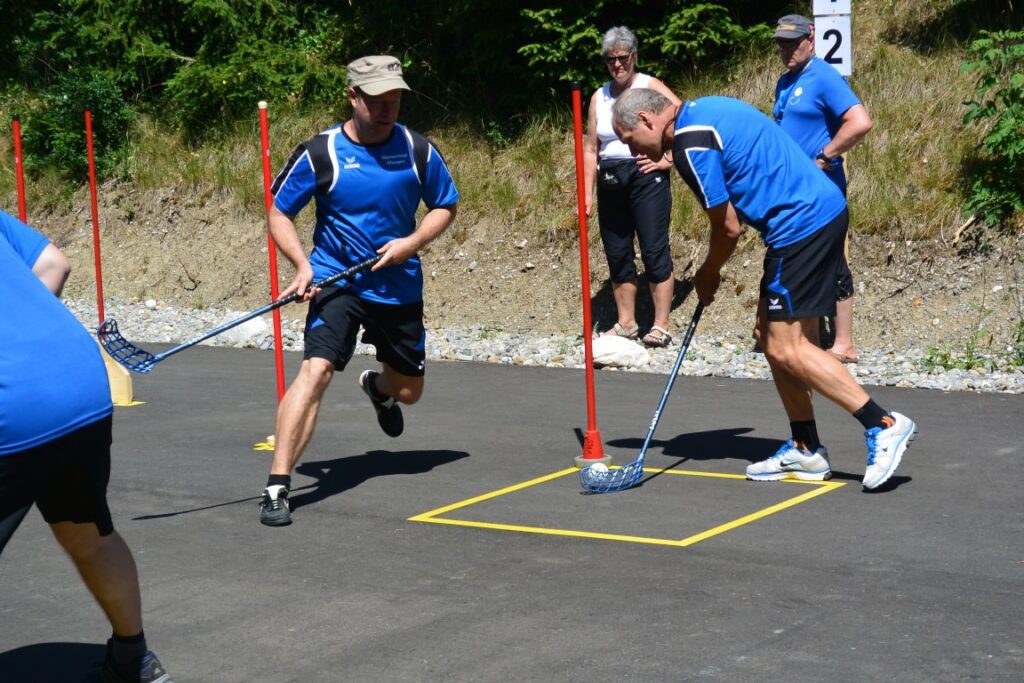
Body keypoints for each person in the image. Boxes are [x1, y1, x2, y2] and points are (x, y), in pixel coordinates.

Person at [610, 90, 915, 490]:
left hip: (800, 227)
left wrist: (708, 272)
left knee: (785, 346)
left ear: (649, 119)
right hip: (816, 215)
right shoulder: (705, 108)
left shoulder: (688, 143)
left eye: (631, 139)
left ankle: (884, 423)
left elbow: (728, 226)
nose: (634, 151)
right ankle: (806, 446)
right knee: (777, 340)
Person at [258, 55, 459, 526]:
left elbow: (445, 205)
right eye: (376, 101)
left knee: (410, 392)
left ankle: (380, 387)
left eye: (394, 99)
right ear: (352, 96)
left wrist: (411, 243)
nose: (388, 109)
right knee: (316, 370)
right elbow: (278, 211)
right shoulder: (320, 152)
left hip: (397, 285)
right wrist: (302, 265)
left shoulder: (418, 149)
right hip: (336, 280)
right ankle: (277, 485)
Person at [0, 208, 173, 682]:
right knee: (87, 532)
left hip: (12, 405)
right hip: (78, 380)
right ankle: (133, 659)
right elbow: (54, 263)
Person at [772, 14, 874, 363]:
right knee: (806, 261)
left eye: (793, 42)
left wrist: (825, 156)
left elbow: (860, 122)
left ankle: (844, 342)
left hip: (821, 191)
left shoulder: (824, 76)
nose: (787, 50)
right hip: (793, 191)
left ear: (810, 40)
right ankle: (810, 339)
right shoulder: (786, 81)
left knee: (833, 261)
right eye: (781, 44)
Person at [583, 26, 681, 347]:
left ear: (634, 56)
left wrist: (667, 159)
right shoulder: (599, 96)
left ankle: (661, 323)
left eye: (623, 58)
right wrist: (586, 193)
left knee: (654, 248)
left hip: (645, 174)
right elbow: (590, 148)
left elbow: (679, 115)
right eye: (611, 59)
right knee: (617, 252)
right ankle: (626, 322)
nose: (617, 65)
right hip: (610, 178)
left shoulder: (648, 85)